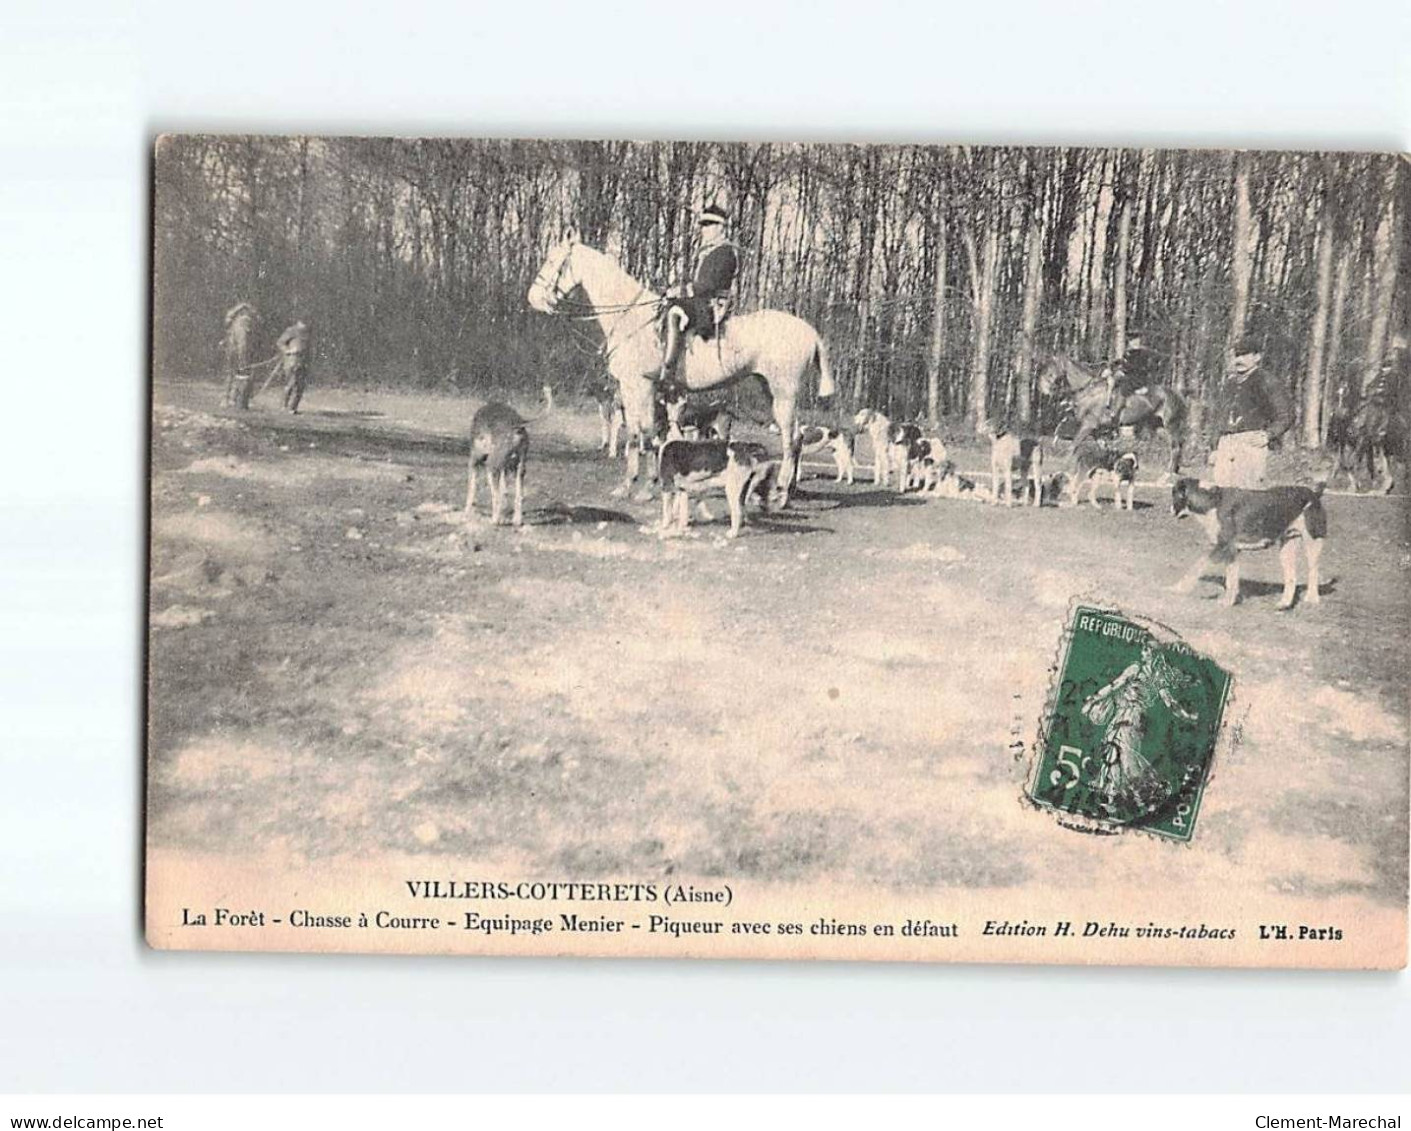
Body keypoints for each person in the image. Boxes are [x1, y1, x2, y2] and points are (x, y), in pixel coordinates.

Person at [659, 202, 741, 384]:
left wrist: (681, 291)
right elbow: (694, 281)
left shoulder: (726, 252)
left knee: (674, 312)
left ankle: (669, 372)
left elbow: (709, 285)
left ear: (721, 227)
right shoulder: (706, 252)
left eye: (708, 225)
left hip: (711, 305)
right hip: (699, 301)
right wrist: (672, 289)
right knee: (663, 307)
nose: (704, 229)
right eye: (703, 225)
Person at [1208, 335, 1293, 488]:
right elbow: (1219, 418)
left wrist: (1268, 435)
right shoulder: (1230, 384)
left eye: (1245, 355)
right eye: (1237, 355)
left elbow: (1286, 415)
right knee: (1221, 496)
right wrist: (1214, 447)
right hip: (1226, 444)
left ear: (1257, 357)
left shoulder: (1267, 381)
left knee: (1247, 496)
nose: (1239, 359)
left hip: (1250, 444)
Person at [1103, 332, 1158, 414]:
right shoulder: (1129, 351)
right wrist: (1111, 367)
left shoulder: (1142, 353)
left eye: (1133, 340)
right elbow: (1121, 361)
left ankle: (1116, 411)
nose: (1131, 342)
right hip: (1129, 375)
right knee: (1111, 380)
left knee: (1123, 387)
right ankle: (1108, 403)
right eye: (1130, 340)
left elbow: (1139, 367)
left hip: (1138, 378)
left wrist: (1124, 369)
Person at [220, 302, 258, 406]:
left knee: (232, 374)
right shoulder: (243, 323)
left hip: (234, 350)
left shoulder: (234, 323)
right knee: (241, 374)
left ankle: (229, 398)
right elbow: (243, 342)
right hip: (239, 352)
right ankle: (234, 398)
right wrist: (243, 356)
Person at [276, 319, 312, 413]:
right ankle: (284, 406)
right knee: (291, 384)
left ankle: (293, 408)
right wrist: (288, 350)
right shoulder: (291, 330)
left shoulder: (307, 332)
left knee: (300, 386)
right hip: (292, 361)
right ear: (299, 322)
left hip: (303, 362)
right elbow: (280, 342)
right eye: (303, 323)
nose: (305, 325)